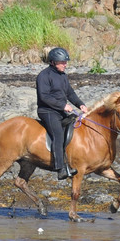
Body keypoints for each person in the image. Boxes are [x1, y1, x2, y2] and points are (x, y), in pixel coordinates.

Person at [36, 47, 87, 179]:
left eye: (65, 62)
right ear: (53, 62)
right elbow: (44, 97)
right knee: (58, 134)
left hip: (60, 111)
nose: (65, 65)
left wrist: (80, 104)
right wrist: (63, 105)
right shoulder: (44, 76)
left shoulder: (63, 75)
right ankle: (60, 168)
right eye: (62, 62)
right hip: (47, 111)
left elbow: (70, 93)